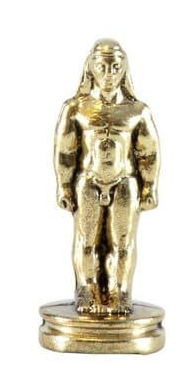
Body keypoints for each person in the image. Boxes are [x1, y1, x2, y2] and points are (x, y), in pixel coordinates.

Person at [54, 40, 160, 315]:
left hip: (125, 181)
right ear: (91, 68)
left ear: (124, 69)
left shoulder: (137, 111)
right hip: (88, 181)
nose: (109, 73)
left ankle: (120, 292)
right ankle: (87, 291)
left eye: (115, 66)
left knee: (122, 243)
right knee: (86, 240)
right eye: (102, 67)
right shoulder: (76, 108)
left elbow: (148, 152)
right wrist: (63, 186)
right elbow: (65, 151)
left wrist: (150, 187)